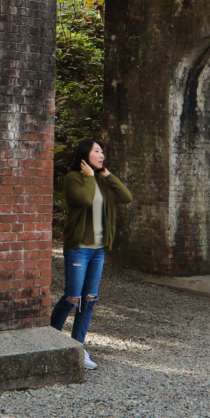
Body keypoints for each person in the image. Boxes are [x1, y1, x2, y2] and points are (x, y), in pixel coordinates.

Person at [54, 140, 133, 372]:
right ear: (84, 155)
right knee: (72, 298)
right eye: (96, 151)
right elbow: (86, 200)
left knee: (90, 298)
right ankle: (49, 338)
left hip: (98, 250)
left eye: (102, 151)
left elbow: (126, 196)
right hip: (79, 247)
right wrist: (89, 177)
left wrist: (107, 175)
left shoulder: (102, 180)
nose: (101, 155)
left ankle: (78, 347)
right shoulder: (73, 179)